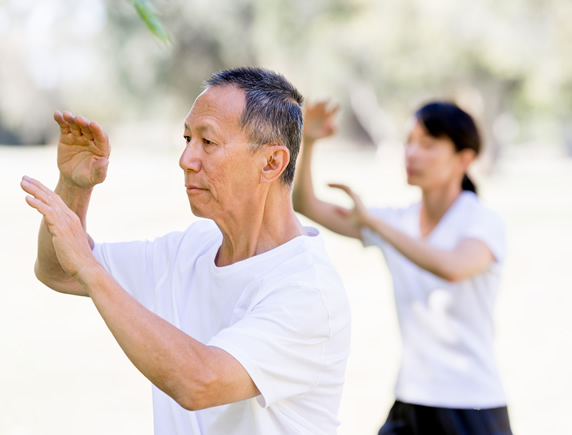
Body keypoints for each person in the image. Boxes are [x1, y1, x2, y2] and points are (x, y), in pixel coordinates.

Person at [20, 67, 351, 435]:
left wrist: (91, 268)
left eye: (207, 142)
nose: (186, 159)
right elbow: (60, 271)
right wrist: (74, 187)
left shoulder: (307, 292)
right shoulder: (191, 248)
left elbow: (200, 382)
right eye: (187, 138)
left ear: (271, 163)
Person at [293, 101, 512, 434]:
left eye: (427, 145)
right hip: (411, 400)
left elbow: (452, 267)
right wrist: (307, 142)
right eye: (409, 142)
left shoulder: (481, 222)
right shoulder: (396, 221)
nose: (411, 153)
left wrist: (376, 227)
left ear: (464, 160)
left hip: (472, 405)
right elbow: (305, 204)